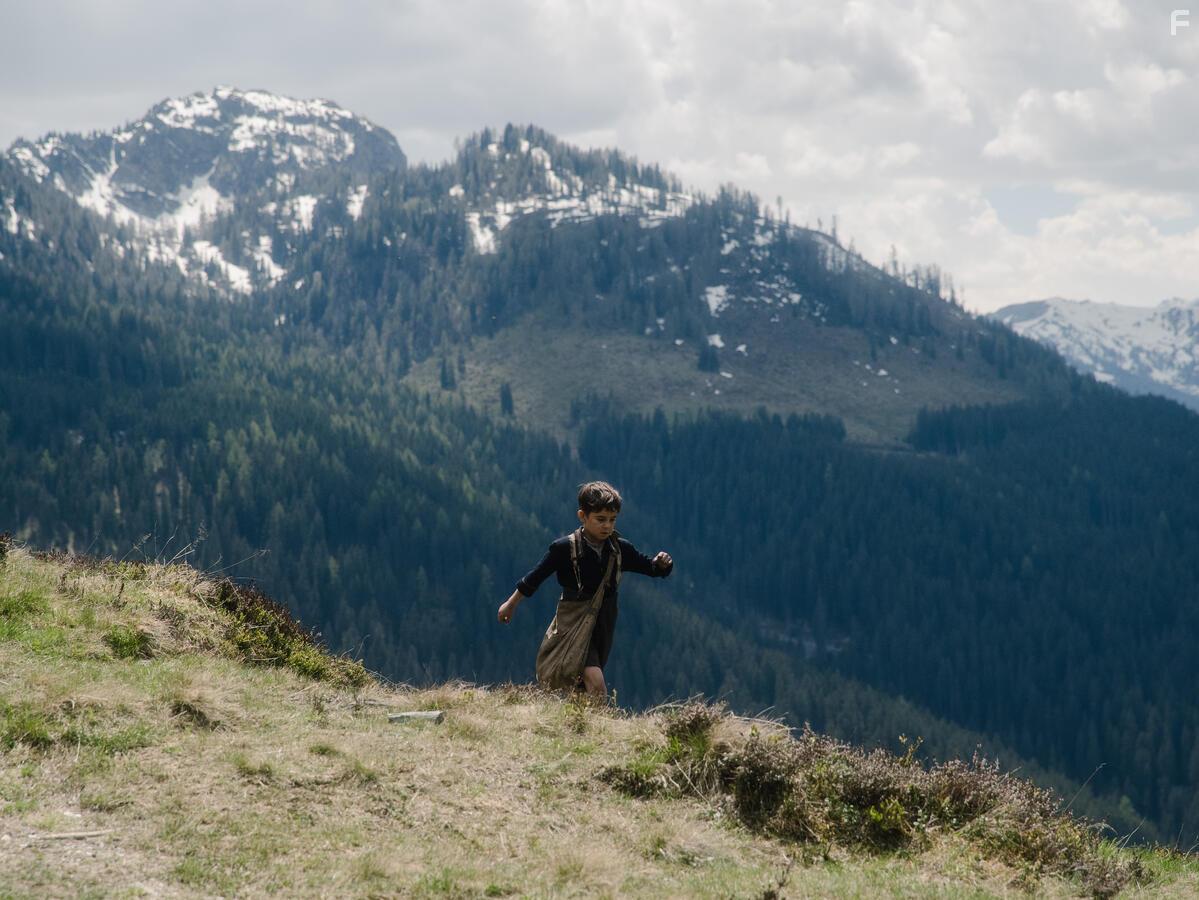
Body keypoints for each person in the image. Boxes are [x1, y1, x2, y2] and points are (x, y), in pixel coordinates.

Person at [497, 480, 673, 700]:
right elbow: (535, 577)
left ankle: (579, 727)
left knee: (582, 685)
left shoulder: (619, 549)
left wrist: (663, 564)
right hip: (573, 620)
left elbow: (651, 568)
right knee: (595, 680)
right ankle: (601, 729)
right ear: (583, 516)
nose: (607, 526)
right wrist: (510, 605)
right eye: (600, 519)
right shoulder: (564, 549)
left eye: (612, 519)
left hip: (604, 621)